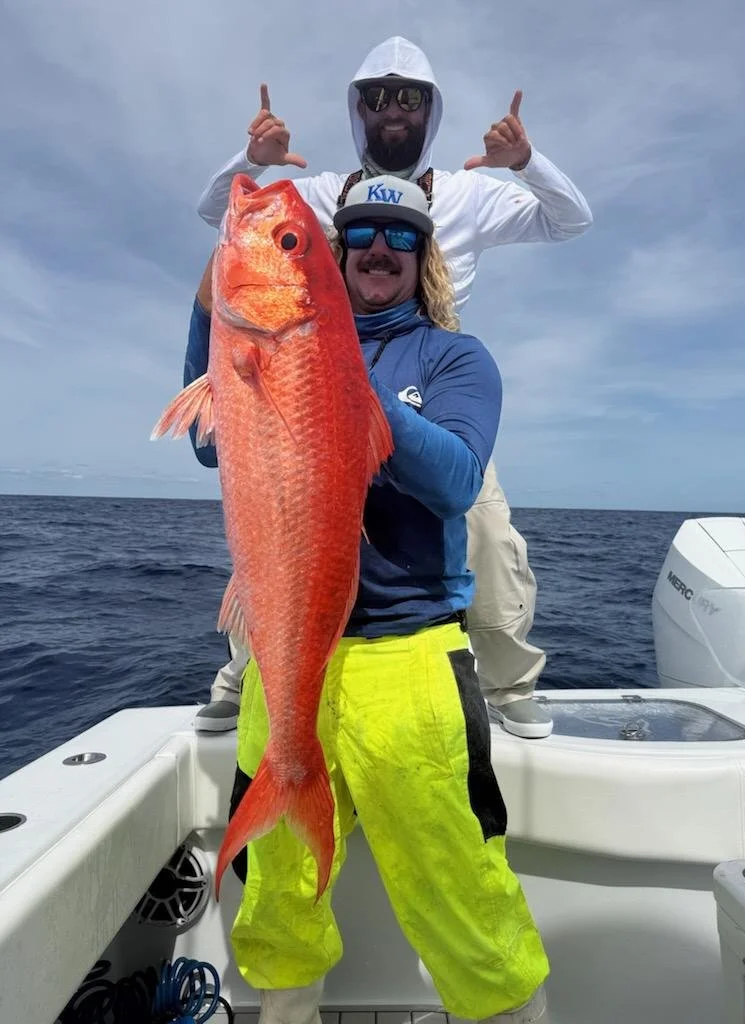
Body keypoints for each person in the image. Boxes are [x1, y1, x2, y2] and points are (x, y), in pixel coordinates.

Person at [185, 173, 550, 1024]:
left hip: (409, 655)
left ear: (423, 256)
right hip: (285, 659)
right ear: (338, 255)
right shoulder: (274, 337)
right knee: (275, 892)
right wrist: (210, 313)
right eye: (356, 235)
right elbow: (214, 447)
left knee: (461, 890)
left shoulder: (455, 359)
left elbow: (459, 480)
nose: (378, 249)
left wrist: (342, 383)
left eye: (399, 235)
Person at [193, 35, 593, 739]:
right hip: (329, 366)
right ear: (358, 110)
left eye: (408, 95)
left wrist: (525, 164)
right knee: (285, 527)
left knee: (490, 535)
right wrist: (249, 163)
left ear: (430, 110)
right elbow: (220, 217)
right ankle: (248, 671)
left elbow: (570, 219)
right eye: (376, 96)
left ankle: (508, 683)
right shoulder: (319, 193)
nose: (393, 108)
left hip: (430, 374)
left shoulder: (470, 192)